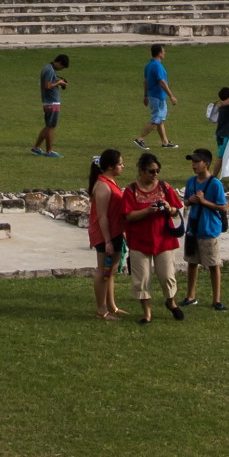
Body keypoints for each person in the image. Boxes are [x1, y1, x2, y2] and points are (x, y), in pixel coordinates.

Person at [120, 151, 185, 323]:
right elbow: (128, 216)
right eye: (151, 171)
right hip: (139, 240)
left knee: (167, 275)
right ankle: (147, 313)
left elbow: (176, 210)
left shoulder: (164, 187)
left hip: (163, 239)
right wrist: (147, 211)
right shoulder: (131, 190)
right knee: (142, 278)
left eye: (157, 171)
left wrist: (168, 208)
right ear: (141, 171)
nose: (155, 175)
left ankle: (171, 302)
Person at [180, 148, 228, 311]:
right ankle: (190, 296)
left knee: (213, 264)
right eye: (192, 162)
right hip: (193, 228)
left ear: (206, 164)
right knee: (192, 263)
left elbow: (223, 207)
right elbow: (185, 202)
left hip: (209, 229)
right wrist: (191, 201)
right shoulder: (191, 182)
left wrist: (203, 201)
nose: (194, 165)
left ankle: (216, 299)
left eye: (197, 162)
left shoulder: (215, 184)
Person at [87, 148, 128, 321]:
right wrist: (108, 241)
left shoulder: (110, 181)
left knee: (110, 270)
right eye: (120, 164)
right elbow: (102, 216)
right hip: (106, 234)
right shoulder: (103, 185)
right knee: (104, 270)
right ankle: (101, 309)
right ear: (111, 167)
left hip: (115, 231)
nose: (123, 166)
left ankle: (112, 306)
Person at [135, 43, 178, 149]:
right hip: (158, 96)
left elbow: (145, 81)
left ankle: (165, 142)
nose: (165, 53)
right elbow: (162, 82)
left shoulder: (148, 65)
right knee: (155, 120)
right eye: (163, 51)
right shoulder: (157, 66)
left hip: (153, 96)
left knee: (160, 120)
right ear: (159, 53)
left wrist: (145, 95)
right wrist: (171, 96)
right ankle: (140, 139)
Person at [32, 53, 70, 156]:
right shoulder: (49, 70)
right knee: (51, 127)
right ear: (59, 63)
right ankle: (49, 151)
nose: (61, 69)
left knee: (48, 126)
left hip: (48, 102)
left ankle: (36, 148)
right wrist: (59, 83)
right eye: (62, 67)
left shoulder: (48, 68)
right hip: (52, 102)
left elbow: (49, 83)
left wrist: (58, 82)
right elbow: (48, 86)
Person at [206, 85, 229, 176]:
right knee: (220, 157)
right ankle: (214, 176)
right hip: (226, 135)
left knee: (225, 155)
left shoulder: (222, 107)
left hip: (219, 134)